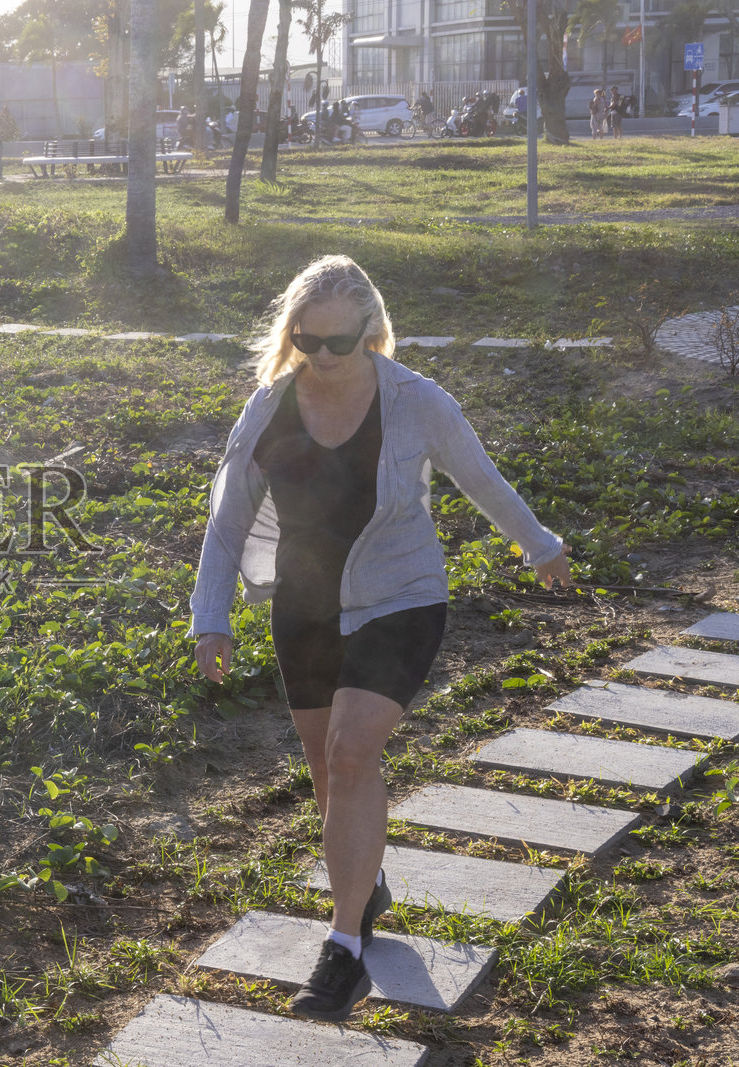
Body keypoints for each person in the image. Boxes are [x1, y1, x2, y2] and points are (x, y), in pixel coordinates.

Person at [190, 254, 570, 1022]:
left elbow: (480, 476)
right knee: (333, 777)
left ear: (373, 330)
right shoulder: (268, 407)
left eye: (341, 341)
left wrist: (540, 543)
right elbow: (227, 521)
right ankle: (365, 888)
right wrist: (211, 616)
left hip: (401, 596)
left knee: (353, 753)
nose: (324, 357)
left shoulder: (414, 401)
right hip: (303, 607)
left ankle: (344, 949)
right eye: (310, 341)